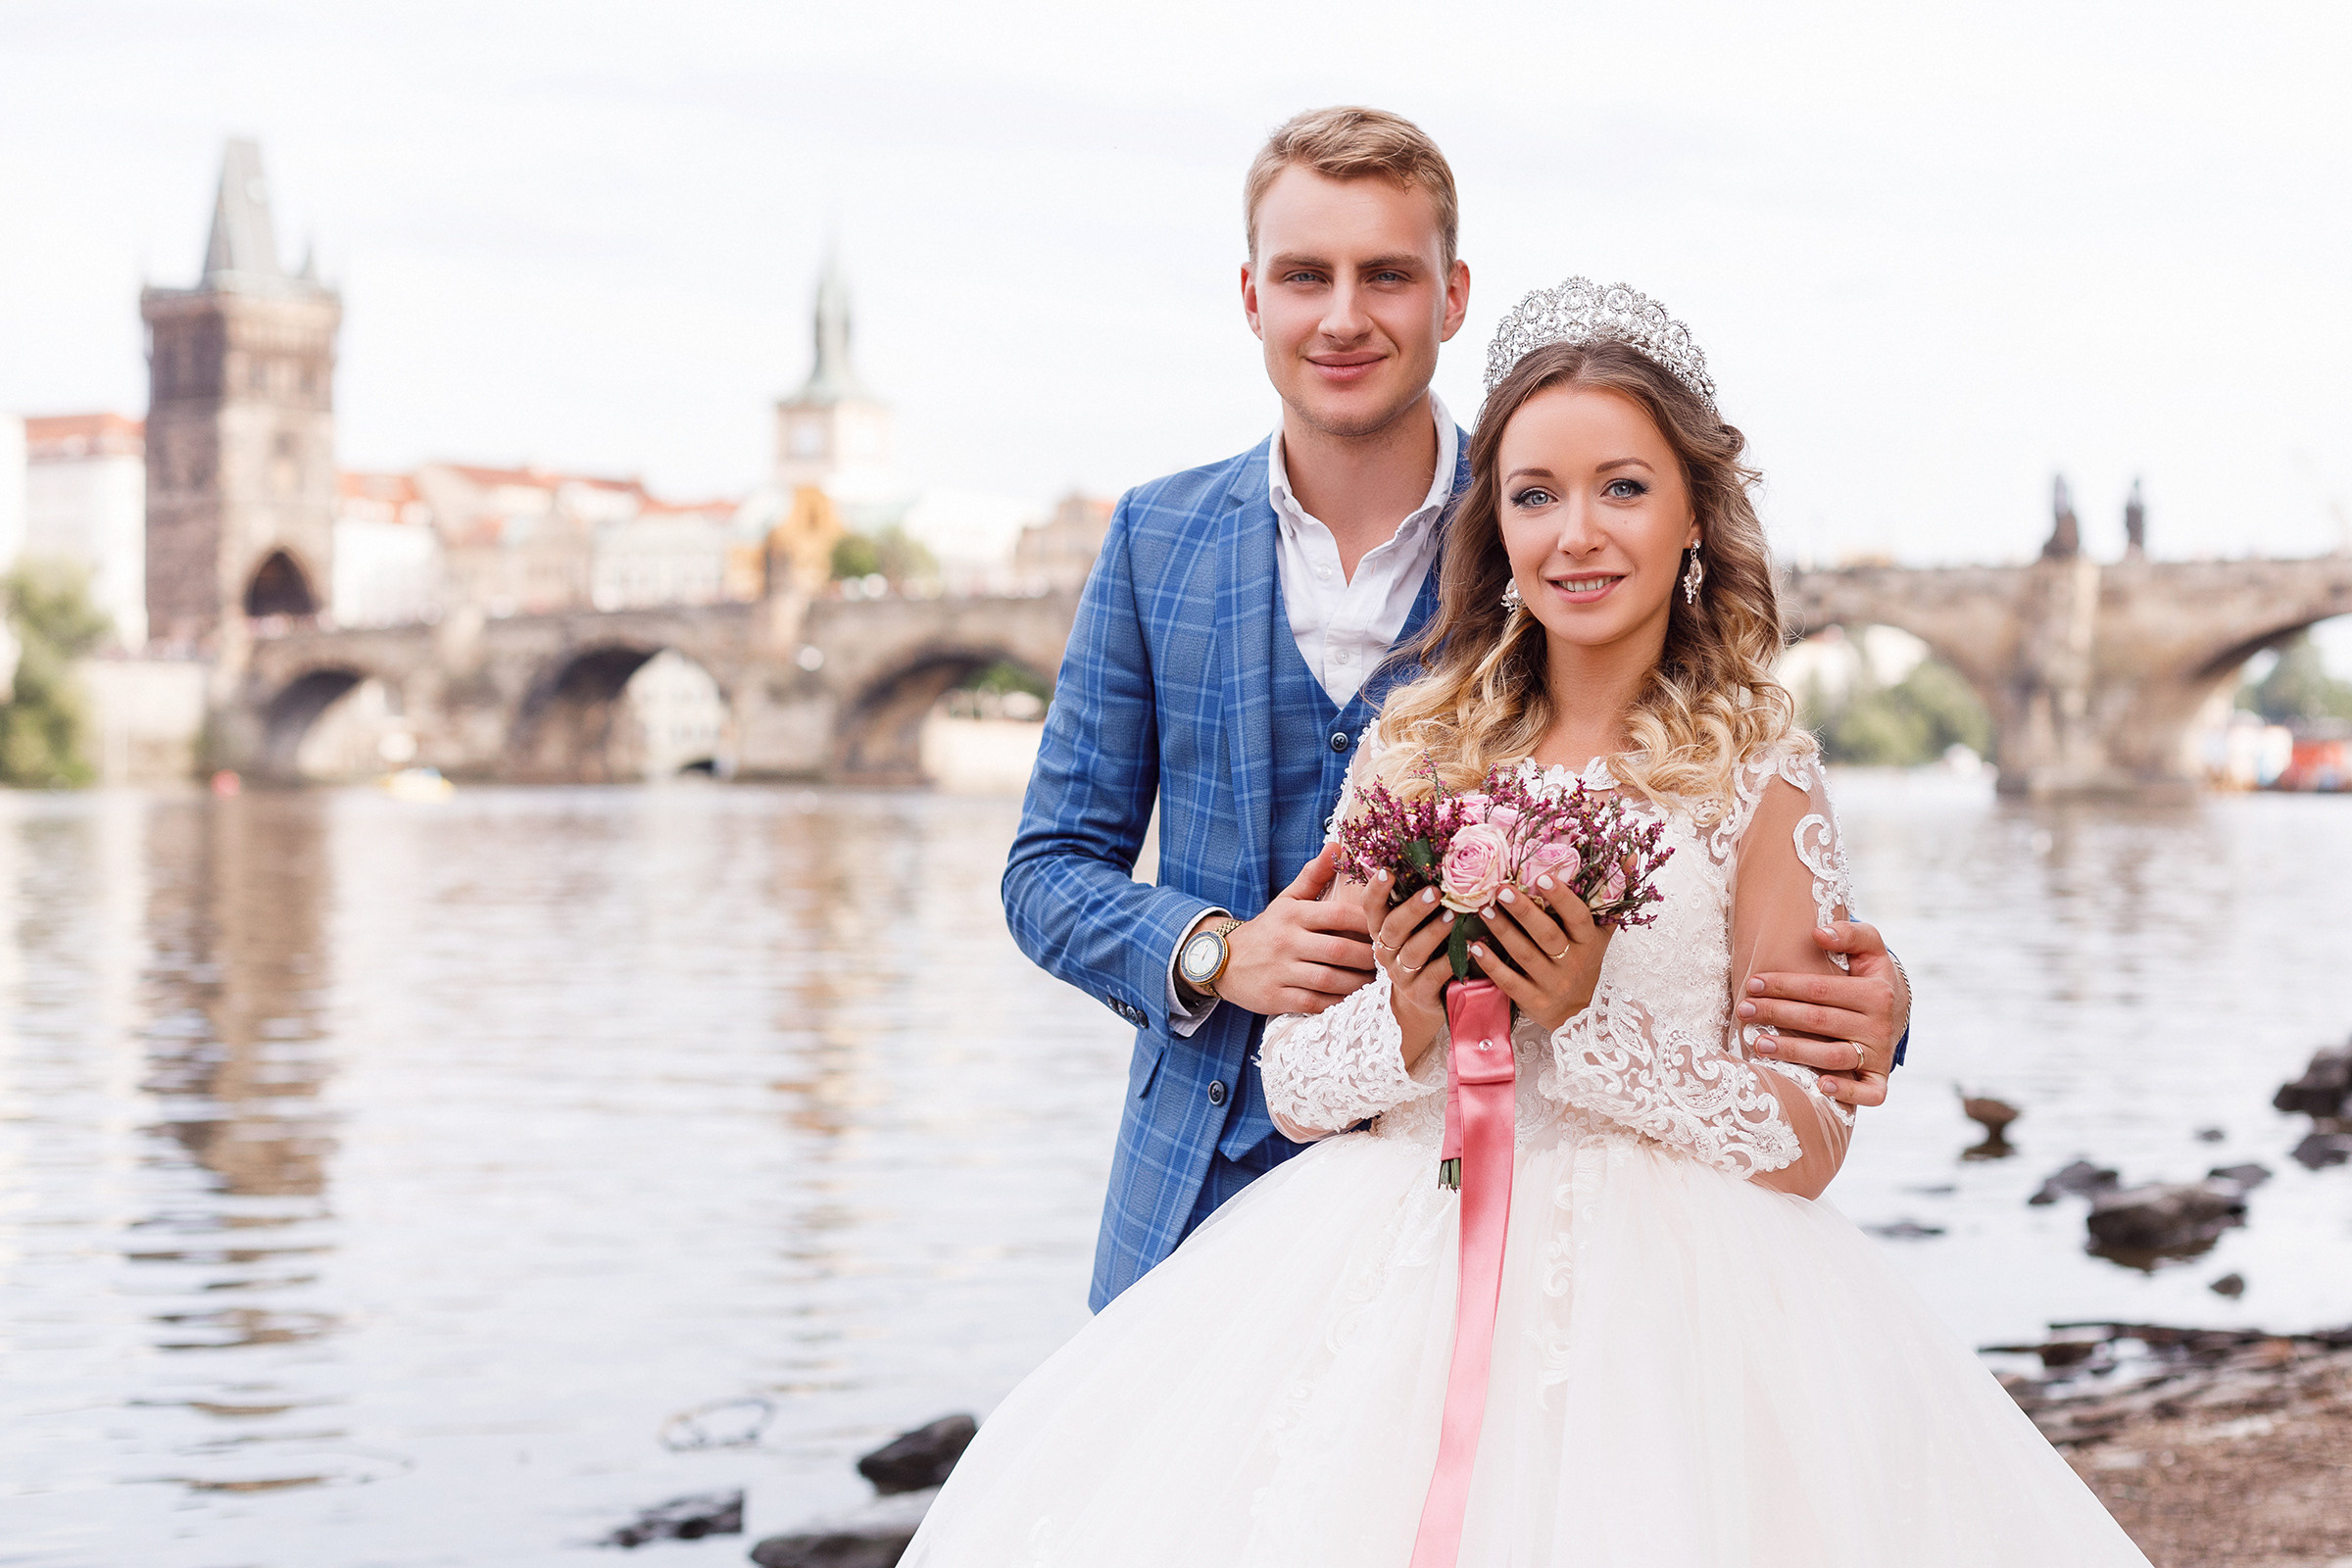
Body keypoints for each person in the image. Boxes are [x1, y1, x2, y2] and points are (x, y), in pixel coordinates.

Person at [908, 280, 2149, 1566]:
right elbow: (1291, 1081)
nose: (1577, 533)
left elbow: (1813, 1129)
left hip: (1676, 1309)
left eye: (1623, 487)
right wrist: (1396, 1017)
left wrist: (1582, 1029)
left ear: (1692, 520)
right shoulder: (1415, 750)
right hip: (1394, 1256)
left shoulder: (1755, 766)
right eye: (1535, 494)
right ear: (1497, 526)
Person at [1003, 107, 1910, 1314]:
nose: (1342, 315)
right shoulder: (1154, 540)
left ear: (1451, 293)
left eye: (1387, 273)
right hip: (1205, 1196)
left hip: (1581, 1249)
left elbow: (1735, 898)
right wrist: (1216, 947)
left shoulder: (1555, 504)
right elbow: (1048, 867)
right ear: (1251, 295)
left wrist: (1879, 1012)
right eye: (1303, 275)